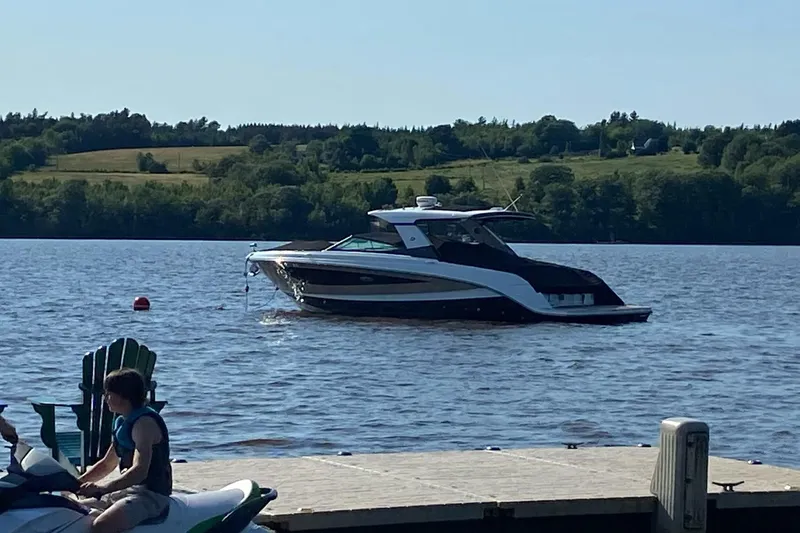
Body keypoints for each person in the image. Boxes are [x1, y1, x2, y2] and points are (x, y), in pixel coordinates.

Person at [75, 368, 172, 533]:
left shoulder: (144, 424)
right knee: (71, 511)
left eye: (108, 393)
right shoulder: (122, 421)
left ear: (122, 396)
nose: (106, 398)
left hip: (150, 495)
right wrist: (76, 483)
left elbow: (140, 471)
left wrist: (102, 489)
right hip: (126, 491)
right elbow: (107, 464)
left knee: (102, 525)